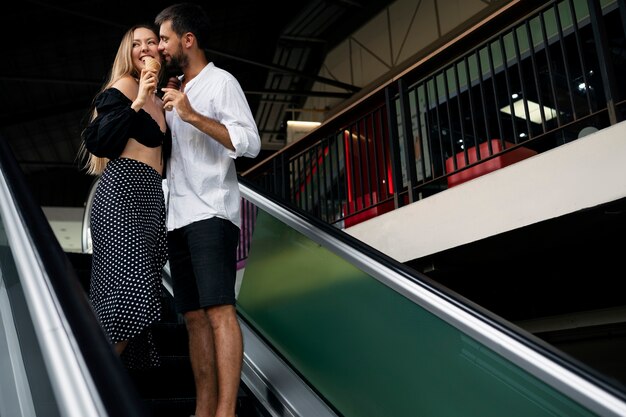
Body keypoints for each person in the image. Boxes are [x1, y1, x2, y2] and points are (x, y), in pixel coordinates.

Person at [154, 4, 261, 417]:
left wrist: (191, 114)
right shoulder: (176, 87)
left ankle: (226, 410)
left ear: (187, 39)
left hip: (212, 215)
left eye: (164, 38)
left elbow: (249, 143)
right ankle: (203, 409)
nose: (160, 46)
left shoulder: (221, 83)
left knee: (219, 311)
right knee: (193, 318)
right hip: (177, 218)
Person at [79, 24, 169, 369]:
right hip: (121, 192)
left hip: (150, 198)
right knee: (130, 290)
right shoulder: (126, 86)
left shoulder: (163, 99)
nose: (145, 48)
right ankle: (92, 384)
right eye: (136, 44)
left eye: (151, 42)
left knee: (131, 296)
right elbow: (102, 142)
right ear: (127, 53)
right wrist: (139, 99)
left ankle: (100, 381)